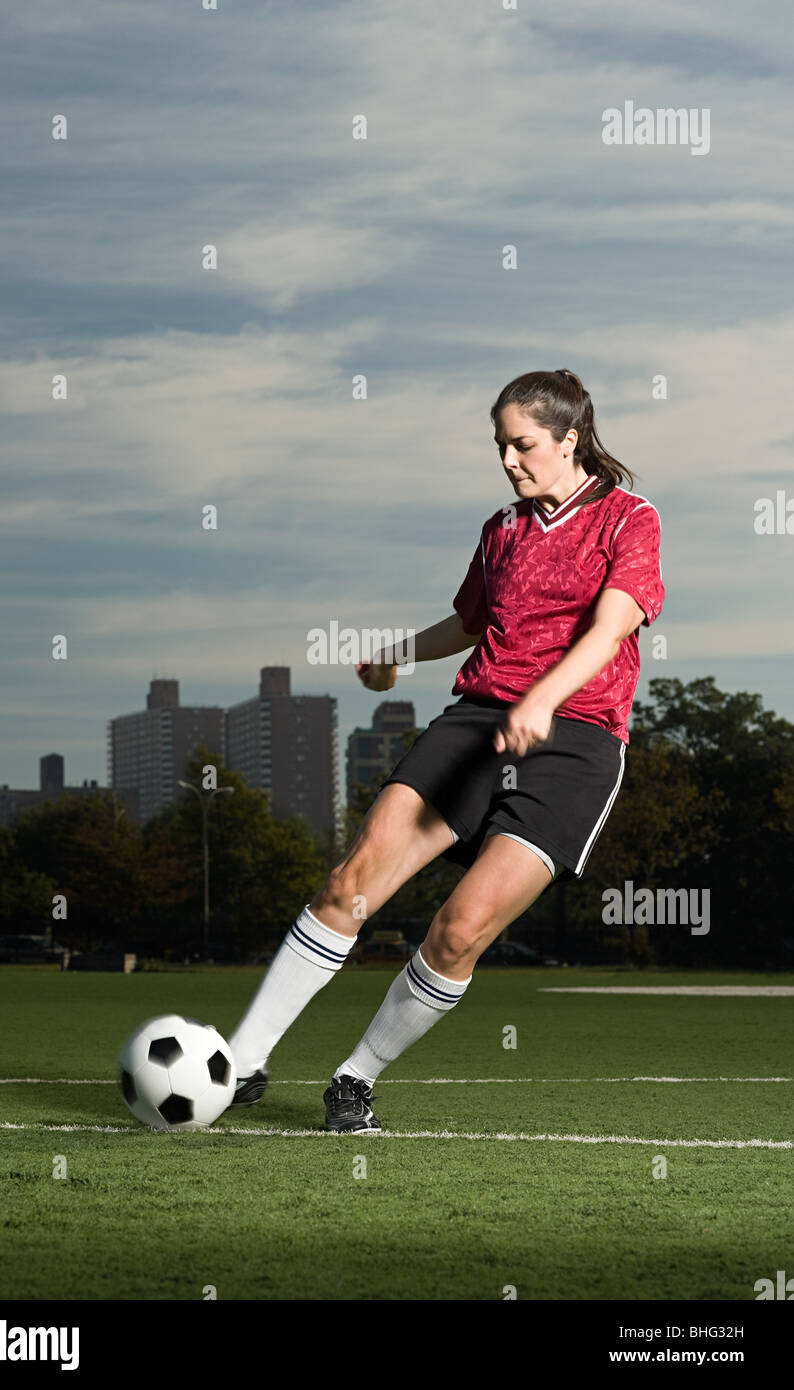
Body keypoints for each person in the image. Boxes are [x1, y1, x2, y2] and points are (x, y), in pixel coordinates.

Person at [227, 368, 664, 1132]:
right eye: (499, 446)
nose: (507, 460)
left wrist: (542, 700)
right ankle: (242, 1062)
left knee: (460, 928)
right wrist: (395, 653)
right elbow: (469, 621)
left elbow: (612, 627)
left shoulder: (630, 519)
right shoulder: (501, 529)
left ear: (569, 439)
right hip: (477, 721)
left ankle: (355, 1079)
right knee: (348, 883)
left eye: (522, 444)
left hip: (578, 740)